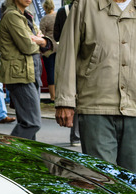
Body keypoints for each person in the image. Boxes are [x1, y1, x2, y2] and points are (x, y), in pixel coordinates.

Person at [55, 0, 136, 175]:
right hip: (96, 109)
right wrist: (65, 100)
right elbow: (67, 53)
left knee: (133, 179)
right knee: (101, 178)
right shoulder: (84, 6)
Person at [0, 0, 53, 140]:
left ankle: (25, 158)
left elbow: (40, 37)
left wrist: (40, 40)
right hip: (20, 74)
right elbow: (27, 46)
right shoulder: (12, 16)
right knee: (31, 124)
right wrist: (42, 42)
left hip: (31, 72)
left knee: (28, 123)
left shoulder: (26, 15)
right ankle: (9, 156)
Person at [53, 0, 79, 145]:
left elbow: (56, 36)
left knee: (72, 96)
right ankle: (77, 135)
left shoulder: (63, 11)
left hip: (68, 56)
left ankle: (75, 136)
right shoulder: (92, 9)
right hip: (84, 59)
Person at [39, 0, 56, 102]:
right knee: (60, 72)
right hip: (60, 48)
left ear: (45, 8)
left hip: (49, 49)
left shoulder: (44, 19)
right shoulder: (59, 16)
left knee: (50, 72)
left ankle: (53, 96)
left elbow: (41, 34)